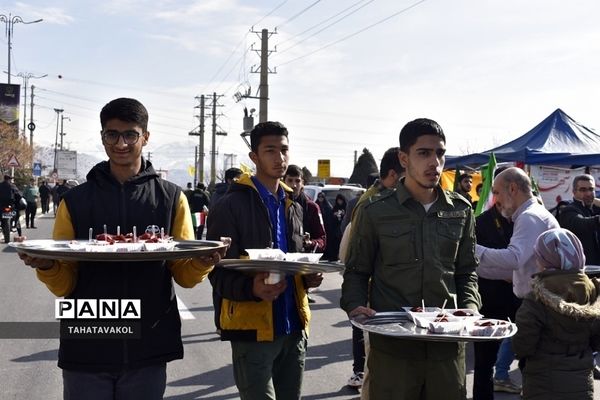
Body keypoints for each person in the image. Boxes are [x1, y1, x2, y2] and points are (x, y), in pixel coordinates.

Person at [16, 97, 224, 400]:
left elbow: (185, 276)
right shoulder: (74, 201)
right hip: (86, 341)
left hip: (149, 342)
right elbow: (65, 283)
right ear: (102, 138)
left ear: (146, 137)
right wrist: (45, 265)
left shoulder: (171, 198)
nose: (121, 143)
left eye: (130, 134)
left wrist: (205, 260)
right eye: (111, 134)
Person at [341, 118, 481, 400]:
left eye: (440, 153)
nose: (435, 163)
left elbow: (466, 272)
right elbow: (356, 271)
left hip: (446, 347)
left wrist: (470, 308)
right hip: (394, 351)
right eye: (424, 153)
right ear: (404, 159)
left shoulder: (461, 211)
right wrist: (355, 306)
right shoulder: (375, 211)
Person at [206, 121, 323, 400]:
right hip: (251, 328)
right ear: (254, 157)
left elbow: (292, 259)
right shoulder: (230, 205)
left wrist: (307, 277)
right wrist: (252, 290)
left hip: (293, 325)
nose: (279, 158)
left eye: (284, 150)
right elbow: (216, 270)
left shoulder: (293, 204)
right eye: (270, 150)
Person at [338, 146, 404, 393]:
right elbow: (354, 254)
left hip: (387, 294)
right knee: (374, 366)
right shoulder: (371, 203)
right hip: (373, 292)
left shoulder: (387, 198)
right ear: (395, 175)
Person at [513, 228, 600, 400]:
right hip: (581, 382)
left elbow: (522, 345)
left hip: (542, 384)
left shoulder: (536, 298)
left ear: (545, 261)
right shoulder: (593, 292)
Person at [476, 167, 560, 300]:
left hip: (539, 303)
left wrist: (471, 249)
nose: (495, 200)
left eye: (496, 193)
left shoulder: (530, 216)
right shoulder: (532, 214)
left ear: (512, 189)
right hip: (538, 301)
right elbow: (515, 272)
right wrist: (471, 267)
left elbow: (513, 260)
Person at [472, 199, 522, 399]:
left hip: (520, 299)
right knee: (484, 361)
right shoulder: (481, 223)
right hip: (490, 300)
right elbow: (473, 262)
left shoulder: (524, 220)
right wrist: (507, 272)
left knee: (527, 355)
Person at [283, 164, 326, 253]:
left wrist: (310, 243)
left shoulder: (312, 207)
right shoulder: (278, 204)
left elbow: (322, 240)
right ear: (283, 181)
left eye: (297, 181)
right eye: (290, 180)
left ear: (302, 183)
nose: (294, 185)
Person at [559, 174, 600, 264]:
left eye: (591, 189)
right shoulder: (568, 210)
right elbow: (581, 223)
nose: (588, 193)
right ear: (574, 192)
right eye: (583, 190)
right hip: (583, 270)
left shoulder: (595, 207)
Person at [328, 193, 347, 261]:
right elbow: (331, 218)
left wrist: (343, 215)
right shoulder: (335, 208)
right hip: (335, 229)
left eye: (341, 200)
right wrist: (334, 215)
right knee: (335, 243)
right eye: (338, 200)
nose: (339, 202)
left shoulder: (346, 207)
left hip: (343, 229)